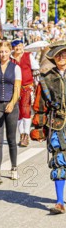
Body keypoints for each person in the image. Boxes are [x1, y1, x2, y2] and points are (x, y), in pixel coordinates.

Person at [31, 41, 66, 214]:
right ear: (54, 58)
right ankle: (60, 202)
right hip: (57, 124)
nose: (62, 57)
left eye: (64, 54)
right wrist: (38, 128)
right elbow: (40, 105)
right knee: (59, 161)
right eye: (59, 55)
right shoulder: (46, 79)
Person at [0, 40, 22, 184]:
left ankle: (14, 168)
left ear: (10, 52)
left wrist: (12, 103)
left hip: (11, 105)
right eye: (1, 52)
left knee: (11, 138)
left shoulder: (15, 68)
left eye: (5, 51)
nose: (3, 54)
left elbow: (17, 88)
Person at [11, 39, 40, 147]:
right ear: (13, 48)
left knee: (25, 110)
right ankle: (21, 134)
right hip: (14, 88)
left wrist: (36, 85)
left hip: (26, 87)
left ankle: (26, 135)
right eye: (16, 47)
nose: (18, 48)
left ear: (23, 46)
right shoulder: (10, 58)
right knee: (17, 113)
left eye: (19, 46)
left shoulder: (28, 56)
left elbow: (36, 69)